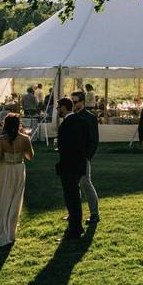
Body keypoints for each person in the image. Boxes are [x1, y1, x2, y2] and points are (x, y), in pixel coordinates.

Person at [0, 113, 34, 246]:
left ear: (5, 125)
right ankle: (10, 232)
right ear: (19, 124)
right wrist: (23, 146)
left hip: (4, 170)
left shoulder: (1, 140)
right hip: (19, 170)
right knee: (15, 199)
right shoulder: (25, 138)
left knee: (0, 197)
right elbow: (30, 157)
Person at [55, 97, 88, 239]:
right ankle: (75, 226)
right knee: (75, 196)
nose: (57, 111)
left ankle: (75, 229)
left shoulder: (66, 125)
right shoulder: (81, 121)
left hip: (69, 165)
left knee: (71, 197)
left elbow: (65, 148)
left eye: (58, 108)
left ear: (63, 108)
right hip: (79, 163)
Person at [71, 91, 100, 224]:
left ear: (82, 102)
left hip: (83, 157)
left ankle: (94, 214)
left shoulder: (90, 118)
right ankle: (74, 214)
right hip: (71, 157)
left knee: (85, 183)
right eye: (72, 102)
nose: (73, 104)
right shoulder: (71, 117)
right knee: (72, 186)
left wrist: (87, 157)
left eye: (75, 102)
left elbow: (94, 140)